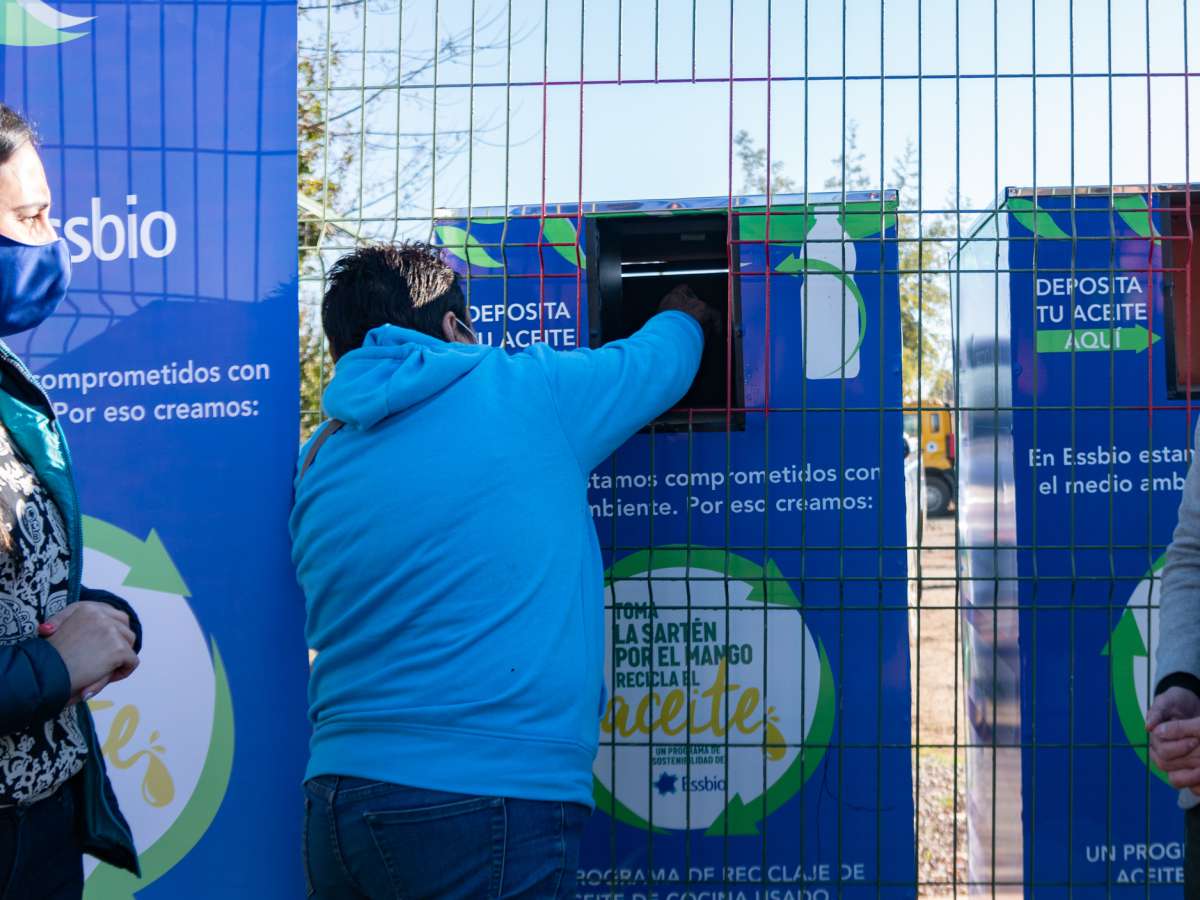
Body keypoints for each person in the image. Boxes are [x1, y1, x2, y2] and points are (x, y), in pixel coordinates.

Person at [291, 241, 714, 899]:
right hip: (485, 795)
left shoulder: (319, 456)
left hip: (337, 802)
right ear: (456, 328)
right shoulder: (522, 388)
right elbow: (655, 366)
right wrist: (681, 315)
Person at [0, 104, 143, 898]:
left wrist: (97, 620)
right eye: (31, 217)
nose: (54, 239)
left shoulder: (8, 383)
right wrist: (55, 662)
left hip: (41, 819)